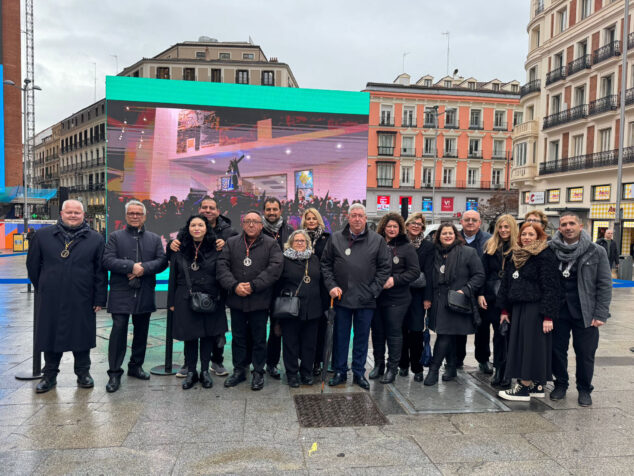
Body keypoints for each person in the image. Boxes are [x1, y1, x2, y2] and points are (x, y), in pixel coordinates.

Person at [26, 199, 107, 394]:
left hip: (82, 297)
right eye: (69, 212)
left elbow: (100, 272)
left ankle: (83, 373)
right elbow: (33, 266)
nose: (73, 215)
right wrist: (44, 286)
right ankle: (49, 376)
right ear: (61, 214)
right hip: (51, 298)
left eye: (77, 213)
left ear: (83, 215)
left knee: (82, 336)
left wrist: (99, 299)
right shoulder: (43, 236)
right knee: (50, 335)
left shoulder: (95, 238)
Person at [322, 203, 391, 390]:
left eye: (361, 215)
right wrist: (332, 286)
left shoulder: (377, 240)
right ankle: (340, 371)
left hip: (366, 299)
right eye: (354, 215)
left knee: (361, 338)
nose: (357, 219)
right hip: (341, 298)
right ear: (348, 217)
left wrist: (374, 290)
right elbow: (326, 265)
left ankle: (359, 373)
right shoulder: (335, 238)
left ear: (366, 218)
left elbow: (385, 268)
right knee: (340, 337)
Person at [102, 200, 168, 393]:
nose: (134, 216)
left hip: (145, 291)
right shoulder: (115, 237)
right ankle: (114, 373)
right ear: (126, 215)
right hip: (121, 292)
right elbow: (107, 260)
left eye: (138, 213)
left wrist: (143, 269)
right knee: (118, 330)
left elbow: (162, 262)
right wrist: (130, 267)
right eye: (131, 213)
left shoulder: (154, 239)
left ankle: (136, 366)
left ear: (144, 216)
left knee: (142, 331)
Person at [170, 196, 238, 378]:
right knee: (191, 330)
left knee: (214, 331)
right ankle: (189, 365)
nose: (207, 210)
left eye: (211, 208)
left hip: (215, 291)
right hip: (190, 292)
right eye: (204, 207)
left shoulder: (229, 232)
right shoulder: (184, 236)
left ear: (218, 211)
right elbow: (175, 266)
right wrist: (171, 246)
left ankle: (216, 361)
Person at [549, 212, 612, 406]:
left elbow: (604, 284)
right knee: (557, 351)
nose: (568, 227)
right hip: (558, 311)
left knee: (585, 353)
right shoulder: (551, 249)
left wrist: (600, 313)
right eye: (564, 224)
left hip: (585, 311)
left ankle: (584, 389)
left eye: (572, 224)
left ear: (580, 226)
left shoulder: (596, 251)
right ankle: (560, 384)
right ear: (559, 228)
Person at [217, 210, 283, 390]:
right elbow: (222, 266)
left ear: (261, 225)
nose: (252, 225)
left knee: (259, 338)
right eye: (248, 221)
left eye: (255, 221)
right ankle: (239, 370)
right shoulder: (231, 243)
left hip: (260, 300)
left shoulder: (271, 244)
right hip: (236, 299)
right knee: (238, 337)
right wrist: (234, 285)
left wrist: (253, 285)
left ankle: (258, 372)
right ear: (243, 224)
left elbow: (275, 268)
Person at [496, 222, 560, 401]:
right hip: (519, 307)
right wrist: (504, 309)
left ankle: (523, 388)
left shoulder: (544, 255)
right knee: (527, 345)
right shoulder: (516, 255)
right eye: (524, 234)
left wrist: (548, 316)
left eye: (531, 234)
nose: (527, 238)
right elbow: (506, 284)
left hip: (535, 309)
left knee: (529, 347)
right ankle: (536, 385)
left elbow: (551, 287)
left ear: (539, 237)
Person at [424, 223, 485, 386]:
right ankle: (451, 367)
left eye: (450, 233)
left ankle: (433, 370)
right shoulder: (434, 253)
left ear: (456, 235)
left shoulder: (468, 252)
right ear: (438, 236)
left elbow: (479, 275)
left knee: (444, 335)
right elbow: (429, 278)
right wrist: (428, 298)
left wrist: (465, 291)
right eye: (444, 233)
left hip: (457, 300)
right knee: (448, 334)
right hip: (439, 300)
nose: (447, 236)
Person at [369, 213, 420, 384]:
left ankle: (392, 368)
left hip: (397, 298)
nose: (391, 229)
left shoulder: (407, 247)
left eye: (395, 227)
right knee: (377, 332)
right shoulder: (375, 243)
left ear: (400, 229)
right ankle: (379, 365)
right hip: (376, 296)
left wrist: (395, 280)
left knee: (393, 333)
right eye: (389, 226)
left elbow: (414, 272)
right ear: (383, 227)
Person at [277, 230, 323, 387]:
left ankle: (306, 372)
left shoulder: (314, 258)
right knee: (290, 343)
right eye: (296, 240)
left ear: (307, 243)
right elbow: (277, 284)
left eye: (303, 240)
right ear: (290, 243)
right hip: (291, 309)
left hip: (313, 309)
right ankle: (291, 374)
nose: (299, 243)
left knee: (309, 344)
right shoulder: (283, 260)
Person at [477, 214, 518, 389]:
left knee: (506, 335)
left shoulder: (519, 248)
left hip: (511, 298)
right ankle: (498, 369)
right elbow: (482, 272)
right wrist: (480, 293)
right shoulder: (490, 246)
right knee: (497, 335)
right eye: (500, 227)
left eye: (506, 227)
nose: (503, 230)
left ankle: (507, 371)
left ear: (512, 228)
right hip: (491, 297)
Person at [261, 197, 295, 380]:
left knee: (277, 329)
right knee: (257, 329)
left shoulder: (290, 232)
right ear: (264, 211)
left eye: (275, 209)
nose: (272, 212)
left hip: (281, 290)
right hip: (260, 288)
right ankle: (256, 362)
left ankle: (272, 364)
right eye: (268, 209)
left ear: (280, 211)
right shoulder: (257, 230)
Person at [399, 212, 434, 381]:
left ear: (422, 227)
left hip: (419, 296)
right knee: (401, 331)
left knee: (416, 331)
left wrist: (428, 298)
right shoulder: (400, 243)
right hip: (398, 294)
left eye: (419, 224)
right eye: (412, 223)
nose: (415, 226)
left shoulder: (428, 246)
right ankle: (403, 364)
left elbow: (428, 273)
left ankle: (417, 367)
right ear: (406, 225)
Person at [455, 210, 491, 372]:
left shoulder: (489, 240)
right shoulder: (454, 238)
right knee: (459, 327)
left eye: (474, 220)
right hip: (460, 290)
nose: (470, 222)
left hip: (482, 291)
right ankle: (456, 359)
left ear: (479, 222)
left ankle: (483, 359)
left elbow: (489, 269)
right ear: (461, 222)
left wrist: (482, 291)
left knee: (482, 328)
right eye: (467, 220)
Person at [299, 208, 332, 376]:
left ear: (319, 220)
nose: (311, 221)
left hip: (322, 291)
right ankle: (303, 360)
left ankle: (317, 361)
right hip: (303, 289)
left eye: (314, 218)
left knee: (319, 329)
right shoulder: (298, 237)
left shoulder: (327, 239)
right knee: (302, 328)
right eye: (308, 218)